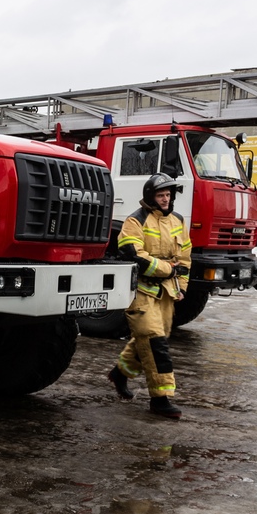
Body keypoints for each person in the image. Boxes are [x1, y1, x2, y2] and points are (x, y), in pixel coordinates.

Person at [108, 173, 193, 419]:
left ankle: (120, 373)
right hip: (140, 292)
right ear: (150, 197)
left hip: (167, 293)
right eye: (160, 195)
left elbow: (185, 258)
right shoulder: (135, 221)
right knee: (154, 341)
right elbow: (134, 255)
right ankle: (161, 399)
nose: (166, 199)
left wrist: (183, 286)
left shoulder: (177, 220)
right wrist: (169, 269)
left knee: (148, 338)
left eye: (168, 195)